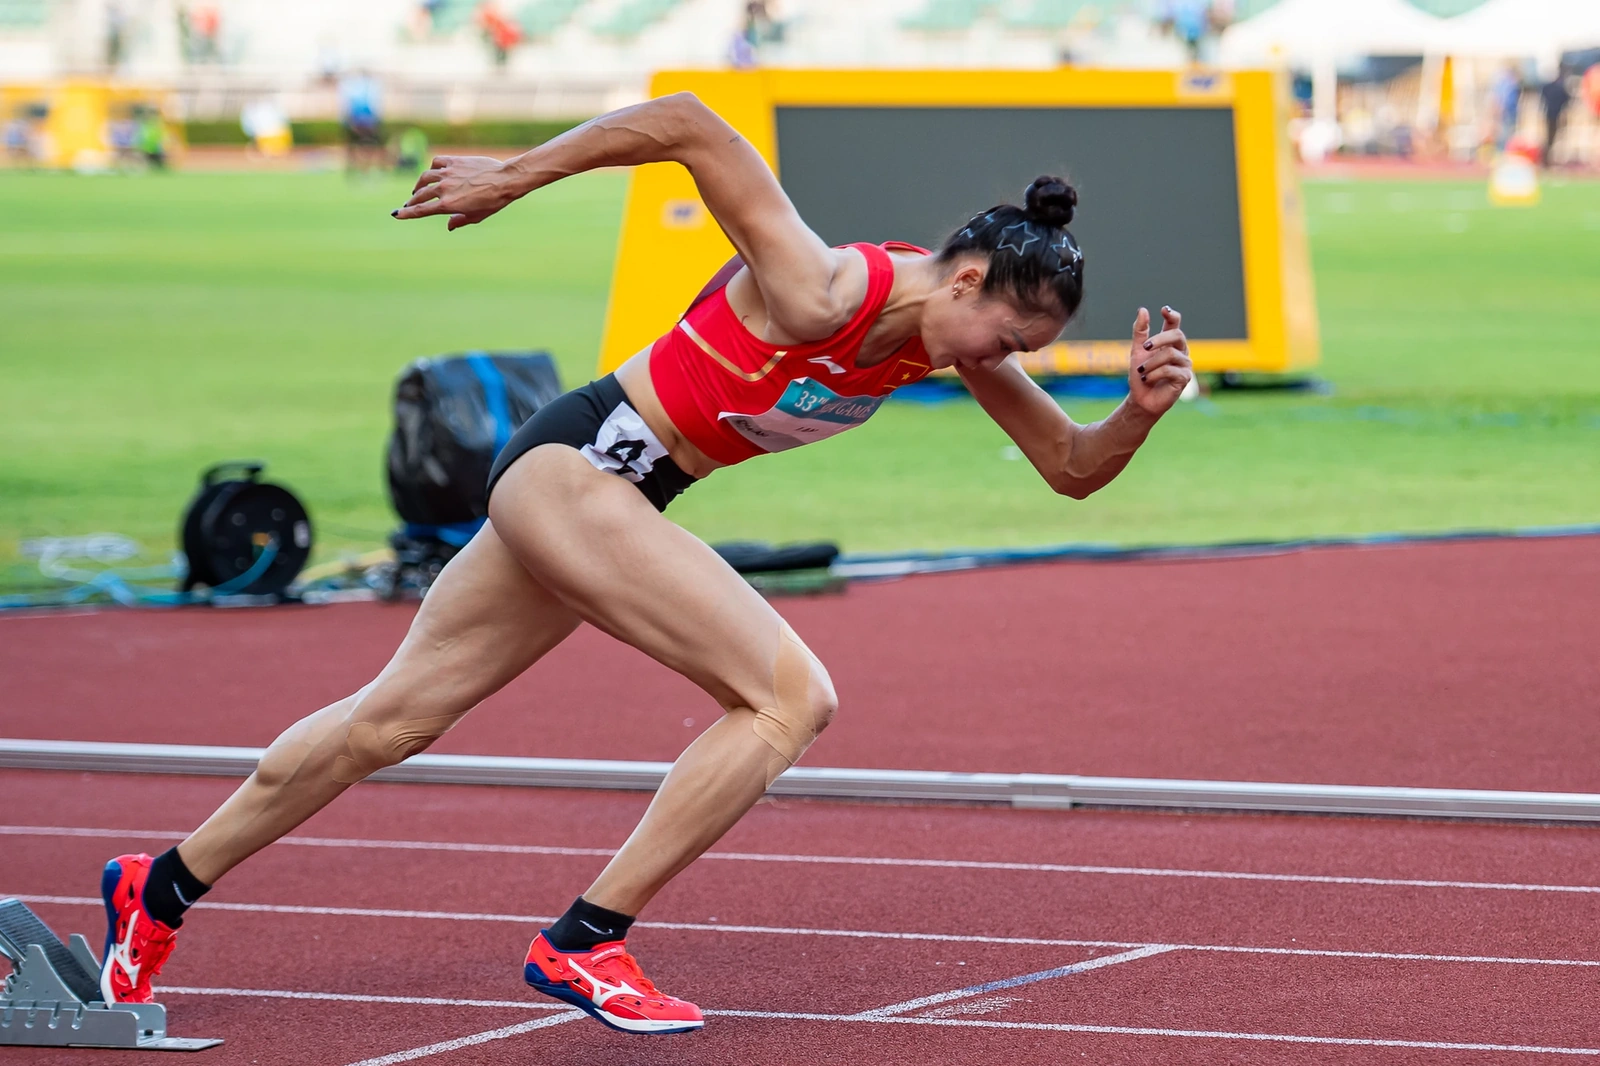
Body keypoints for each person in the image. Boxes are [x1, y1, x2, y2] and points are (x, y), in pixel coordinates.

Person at [96, 92, 1193, 1036]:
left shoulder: (933, 343)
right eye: (1006, 341)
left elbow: (1068, 466)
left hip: (601, 498)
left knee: (391, 722)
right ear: (962, 280)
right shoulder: (819, 286)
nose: (1005, 364)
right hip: (574, 471)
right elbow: (688, 125)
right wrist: (513, 177)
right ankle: (586, 938)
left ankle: (161, 885)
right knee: (788, 697)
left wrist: (1140, 415)